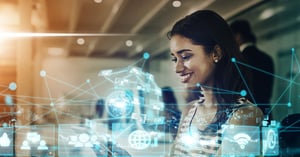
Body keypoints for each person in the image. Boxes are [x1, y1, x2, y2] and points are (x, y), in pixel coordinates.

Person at [167, 10, 264, 156]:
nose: (177, 68)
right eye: (175, 59)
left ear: (216, 53)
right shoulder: (189, 111)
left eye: (185, 57)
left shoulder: (245, 115)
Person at [230, 19, 274, 120]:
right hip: (266, 113)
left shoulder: (239, 60)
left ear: (238, 36)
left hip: (247, 117)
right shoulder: (267, 58)